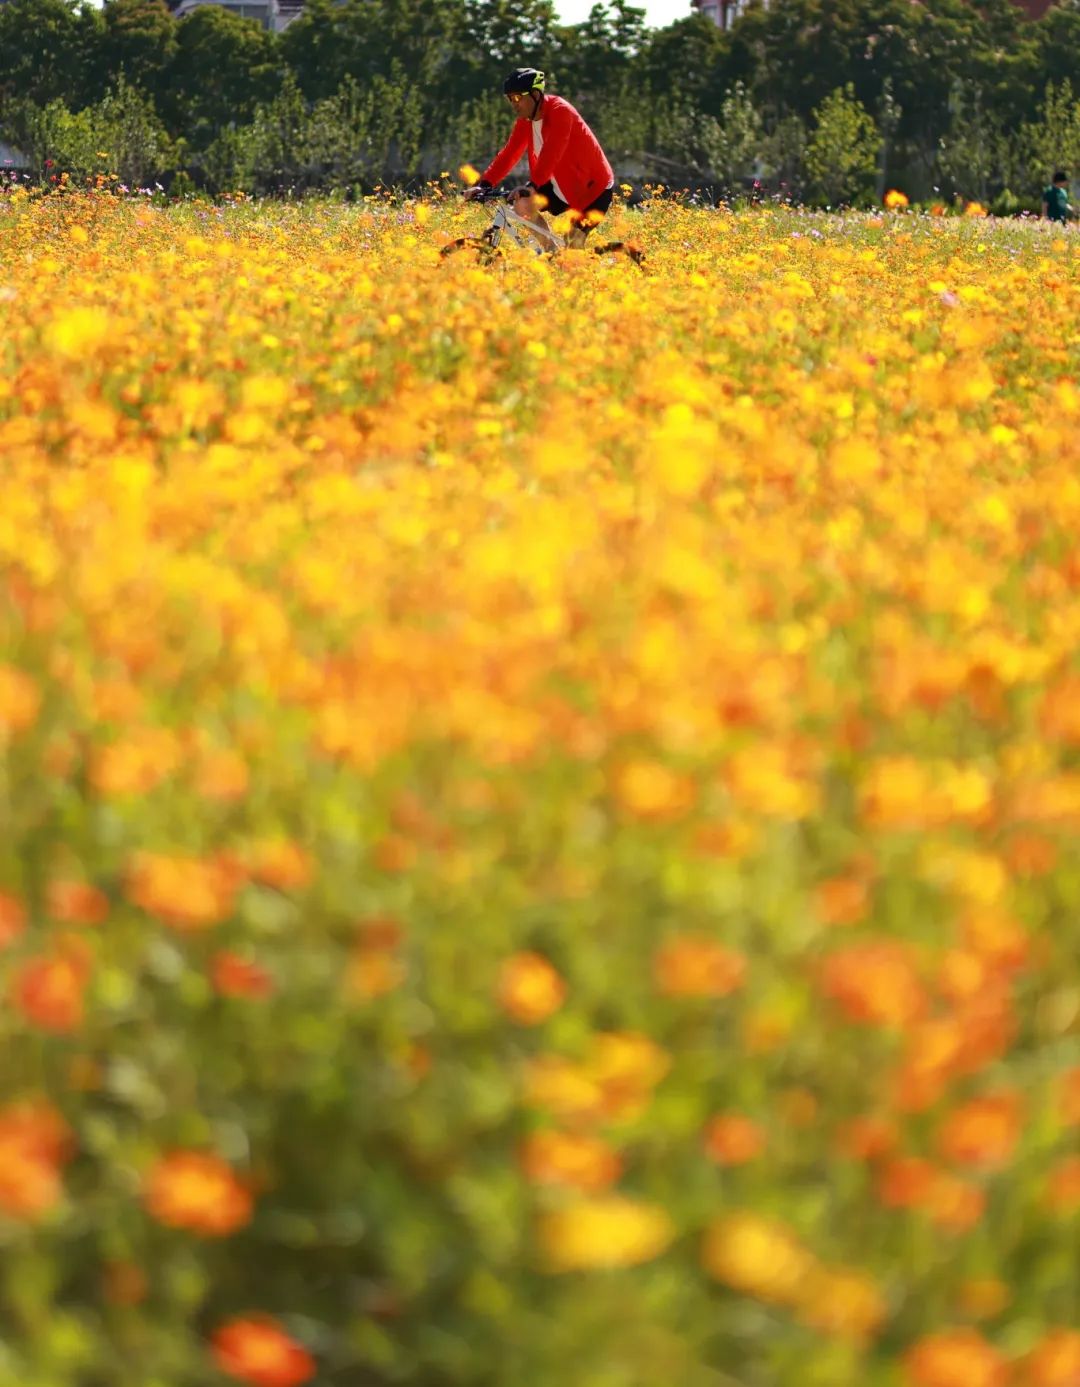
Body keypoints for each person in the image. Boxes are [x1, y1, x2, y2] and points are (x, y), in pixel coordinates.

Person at [465, 68, 614, 249]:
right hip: (560, 183)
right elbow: (509, 153)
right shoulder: (526, 121)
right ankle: (551, 253)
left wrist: (533, 185)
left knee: (572, 241)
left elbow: (553, 151)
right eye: (510, 99)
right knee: (523, 204)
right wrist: (485, 184)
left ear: (535, 95)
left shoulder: (560, 111)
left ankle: (587, 275)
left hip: (592, 188)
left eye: (518, 97)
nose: (514, 103)